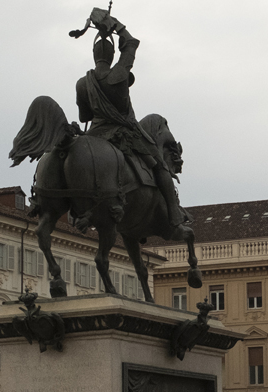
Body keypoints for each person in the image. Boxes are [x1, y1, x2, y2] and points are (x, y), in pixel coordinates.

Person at [74, 12, 186, 231]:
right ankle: (174, 216)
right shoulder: (119, 75)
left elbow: (84, 118)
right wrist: (116, 26)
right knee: (160, 166)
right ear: (112, 53)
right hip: (123, 134)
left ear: (94, 55)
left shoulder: (82, 83)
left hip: (94, 135)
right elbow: (132, 43)